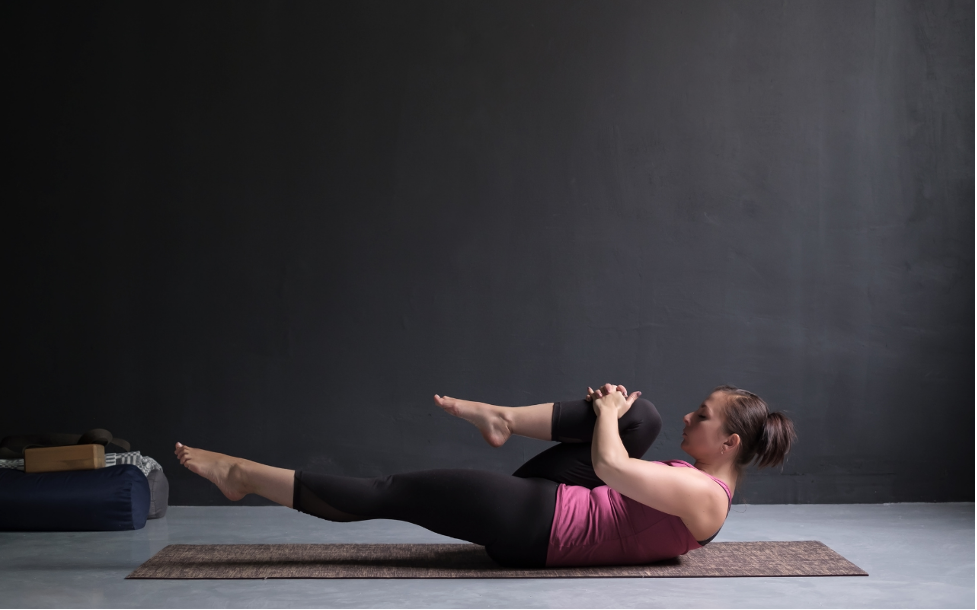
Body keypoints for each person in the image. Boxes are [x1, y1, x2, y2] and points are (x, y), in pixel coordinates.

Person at [175, 383, 795, 568]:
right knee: (647, 415)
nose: (693, 416)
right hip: (560, 501)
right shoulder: (699, 482)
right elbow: (616, 469)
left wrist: (605, 412)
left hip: (537, 525)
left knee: (392, 493)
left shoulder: (702, 496)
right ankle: (500, 418)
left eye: (704, 417)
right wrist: (616, 415)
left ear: (729, 442)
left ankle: (242, 475)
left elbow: (610, 466)